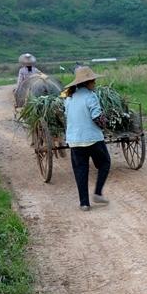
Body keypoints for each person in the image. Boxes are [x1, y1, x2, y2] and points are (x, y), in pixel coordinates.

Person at [62, 66, 111, 211]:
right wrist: (105, 122)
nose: (94, 84)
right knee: (104, 163)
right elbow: (96, 118)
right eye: (93, 81)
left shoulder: (69, 99)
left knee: (80, 170)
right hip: (92, 138)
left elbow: (68, 116)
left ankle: (84, 203)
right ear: (87, 83)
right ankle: (97, 193)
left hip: (74, 140)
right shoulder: (91, 96)